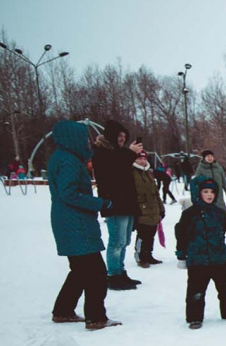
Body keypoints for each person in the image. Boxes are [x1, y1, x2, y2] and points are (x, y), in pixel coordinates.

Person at [48, 120, 121, 330]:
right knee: (96, 272)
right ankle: (96, 317)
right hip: (75, 223)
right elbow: (69, 193)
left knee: (79, 270)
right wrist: (100, 203)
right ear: (72, 138)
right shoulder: (69, 161)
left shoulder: (60, 157)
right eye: (83, 138)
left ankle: (63, 310)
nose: (87, 143)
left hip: (67, 221)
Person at [175, 177, 226, 329]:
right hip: (198, 259)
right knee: (196, 290)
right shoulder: (190, 213)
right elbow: (181, 234)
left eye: (212, 192)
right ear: (198, 193)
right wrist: (181, 254)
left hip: (219, 257)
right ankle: (194, 317)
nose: (209, 195)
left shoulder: (218, 212)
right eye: (205, 191)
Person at [93, 120, 143, 291]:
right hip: (114, 203)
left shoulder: (119, 153)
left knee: (124, 241)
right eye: (119, 136)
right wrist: (129, 153)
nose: (122, 139)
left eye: (124, 136)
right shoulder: (102, 152)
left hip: (126, 202)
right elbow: (113, 171)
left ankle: (120, 272)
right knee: (117, 241)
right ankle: (113, 275)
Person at [132, 152, 165, 268]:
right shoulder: (132, 173)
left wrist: (161, 208)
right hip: (141, 209)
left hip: (153, 208)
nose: (142, 161)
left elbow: (155, 192)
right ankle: (140, 256)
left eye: (144, 158)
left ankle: (148, 255)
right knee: (143, 234)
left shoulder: (148, 173)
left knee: (151, 233)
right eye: (139, 158)